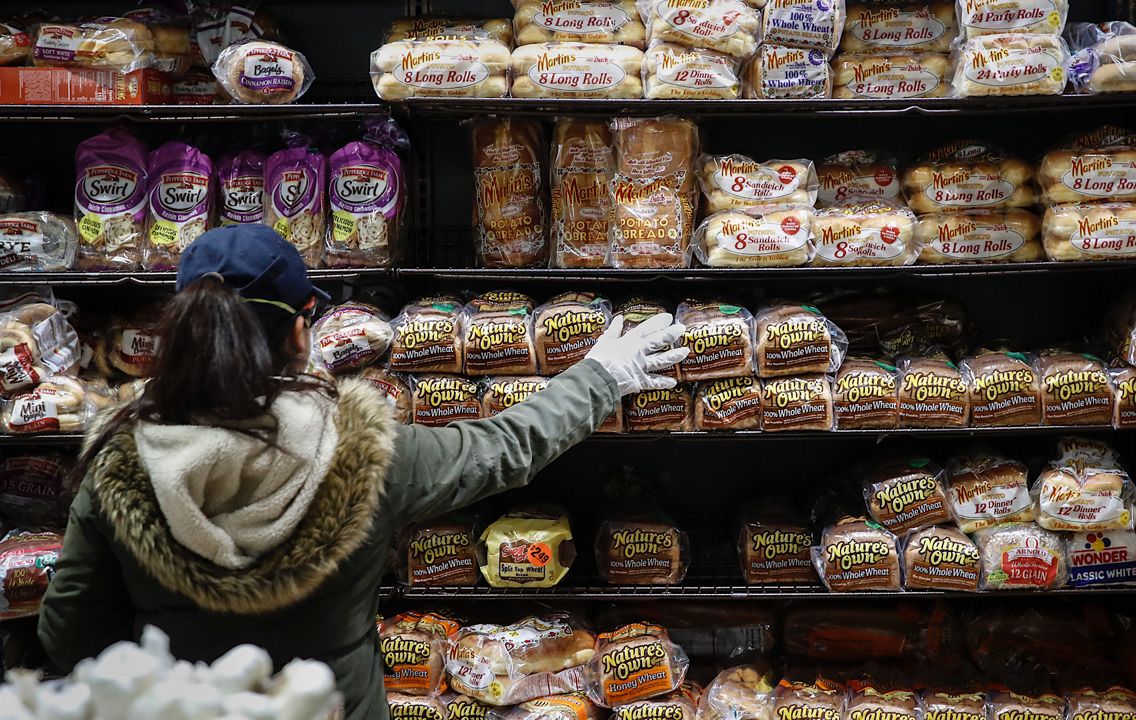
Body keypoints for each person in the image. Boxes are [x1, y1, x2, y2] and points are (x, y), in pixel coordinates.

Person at [37, 225, 688, 720]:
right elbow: (506, 444)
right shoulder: (360, 450)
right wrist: (607, 376)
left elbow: (69, 631)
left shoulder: (121, 463)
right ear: (300, 332)